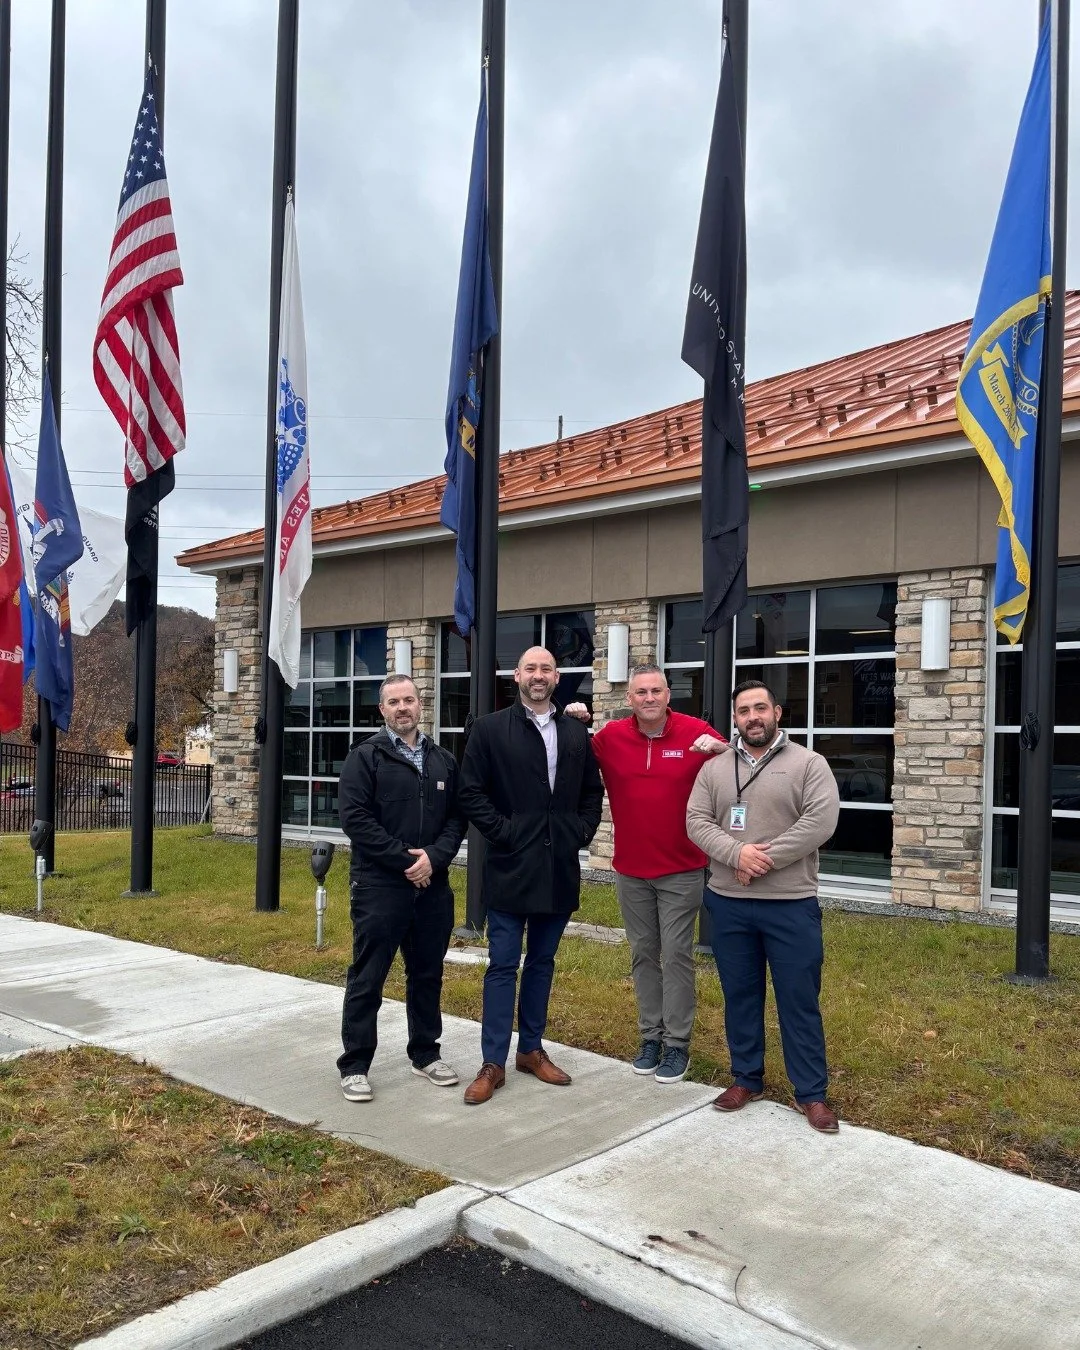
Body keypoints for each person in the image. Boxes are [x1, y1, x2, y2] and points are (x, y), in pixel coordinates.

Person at [686, 679, 841, 1133]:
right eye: (743, 711)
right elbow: (696, 821)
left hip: (790, 903)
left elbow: (820, 821)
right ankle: (746, 1078)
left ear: (777, 713)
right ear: (734, 719)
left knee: (798, 999)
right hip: (729, 904)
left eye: (760, 708)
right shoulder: (715, 769)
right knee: (740, 995)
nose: (752, 717)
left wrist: (760, 860)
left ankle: (810, 1092)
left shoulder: (808, 764)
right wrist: (737, 855)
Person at [563, 665, 727, 1084]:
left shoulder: (695, 732)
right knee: (643, 955)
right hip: (631, 870)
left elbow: (740, 764)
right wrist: (571, 719)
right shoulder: (611, 737)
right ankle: (650, 1037)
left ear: (668, 694)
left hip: (682, 868)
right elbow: (568, 753)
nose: (649, 698)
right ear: (630, 698)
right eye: (641, 692)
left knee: (676, 955)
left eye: (656, 690)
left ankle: (677, 1044)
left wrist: (721, 749)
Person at [458, 646, 604, 1105]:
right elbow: (471, 792)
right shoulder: (488, 729)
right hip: (509, 867)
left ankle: (531, 1050)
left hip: (558, 867)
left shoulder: (575, 732)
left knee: (542, 962)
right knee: (503, 965)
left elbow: (591, 791)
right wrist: (505, 833)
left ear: (556, 678)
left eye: (546, 669)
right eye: (530, 668)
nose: (538, 676)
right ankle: (492, 1063)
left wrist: (579, 831)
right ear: (517, 675)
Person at [336, 674, 466, 1103]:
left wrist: (434, 858)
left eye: (408, 699)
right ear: (382, 710)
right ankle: (355, 1065)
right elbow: (356, 820)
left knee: (427, 974)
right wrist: (408, 861)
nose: (402, 707)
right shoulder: (365, 757)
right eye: (393, 702)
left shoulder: (443, 760)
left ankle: (426, 1054)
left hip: (433, 887)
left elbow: (457, 819)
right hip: (379, 886)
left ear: (419, 703)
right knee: (368, 976)